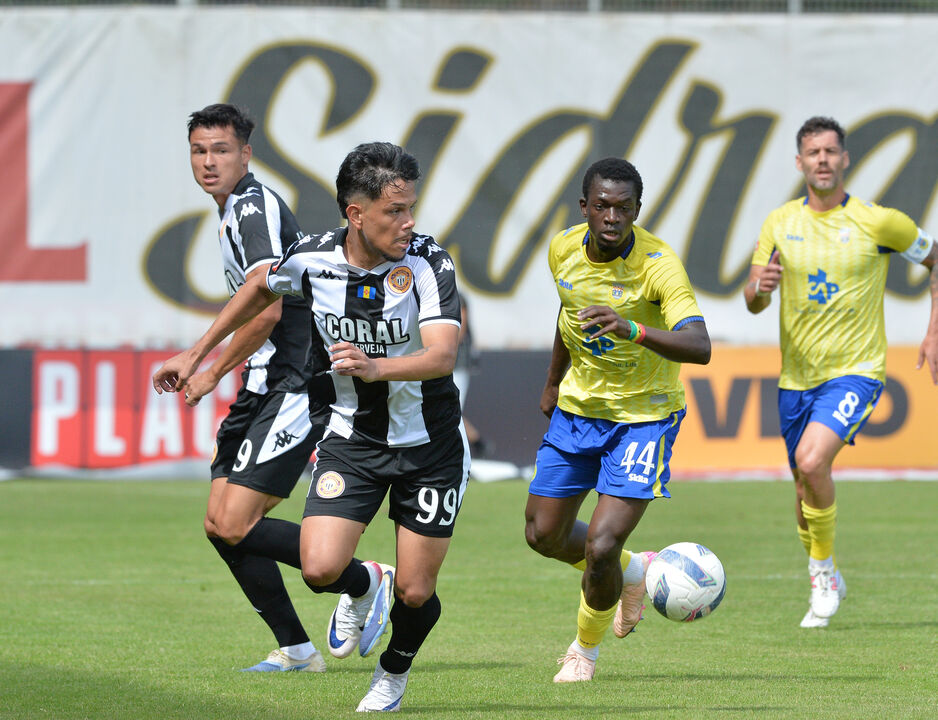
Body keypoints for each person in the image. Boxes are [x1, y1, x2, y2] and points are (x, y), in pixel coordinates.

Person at [154, 141, 470, 712]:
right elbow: (258, 287)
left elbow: (443, 355)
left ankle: (393, 674)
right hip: (352, 440)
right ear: (355, 214)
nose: (409, 222)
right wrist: (195, 354)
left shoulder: (428, 261)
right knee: (320, 568)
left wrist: (376, 367)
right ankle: (364, 584)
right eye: (394, 211)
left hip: (431, 446)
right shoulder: (312, 257)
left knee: (417, 590)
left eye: (410, 208)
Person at [744, 115, 938, 628]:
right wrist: (759, 287)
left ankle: (823, 573)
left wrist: (933, 329)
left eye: (831, 151)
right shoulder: (778, 223)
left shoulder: (879, 222)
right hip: (796, 379)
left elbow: (935, 259)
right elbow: (753, 302)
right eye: (813, 152)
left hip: (857, 370)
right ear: (800, 162)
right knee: (804, 491)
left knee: (812, 463)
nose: (823, 160)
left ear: (845, 159)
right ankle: (823, 562)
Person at [524, 157, 711, 682]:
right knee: (542, 535)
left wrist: (632, 329)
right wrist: (552, 379)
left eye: (623, 208)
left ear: (637, 210)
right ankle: (635, 572)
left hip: (644, 418)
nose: (612, 217)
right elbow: (568, 316)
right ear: (584, 207)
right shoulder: (562, 249)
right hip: (579, 411)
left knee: (600, 545)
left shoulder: (658, 263)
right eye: (602, 206)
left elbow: (700, 346)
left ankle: (584, 651)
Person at [177, 103, 333, 672]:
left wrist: (205, 365)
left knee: (237, 522)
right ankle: (297, 649)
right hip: (263, 381)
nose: (209, 161)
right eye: (199, 150)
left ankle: (365, 580)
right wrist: (220, 372)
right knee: (221, 525)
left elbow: (266, 306)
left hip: (295, 380)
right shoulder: (230, 211)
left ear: (246, 153)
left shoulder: (252, 207)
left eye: (221, 149)